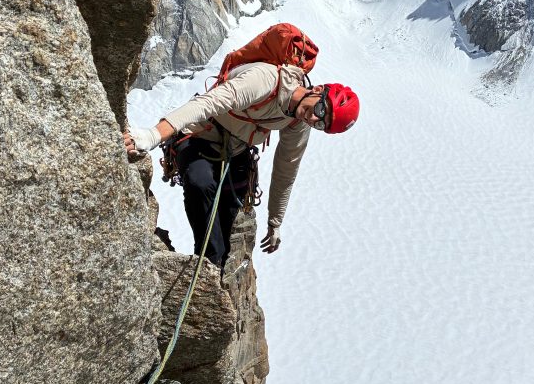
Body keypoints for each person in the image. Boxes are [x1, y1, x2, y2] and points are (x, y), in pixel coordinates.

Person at [124, 62, 359, 268]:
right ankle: (207, 265)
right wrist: (154, 135)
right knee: (200, 183)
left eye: (321, 124)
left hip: (236, 151)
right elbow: (209, 103)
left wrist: (275, 222)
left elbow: (286, 168)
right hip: (198, 135)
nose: (314, 119)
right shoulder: (265, 80)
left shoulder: (298, 121)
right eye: (321, 110)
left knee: (228, 226)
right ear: (318, 90)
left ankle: (215, 267)